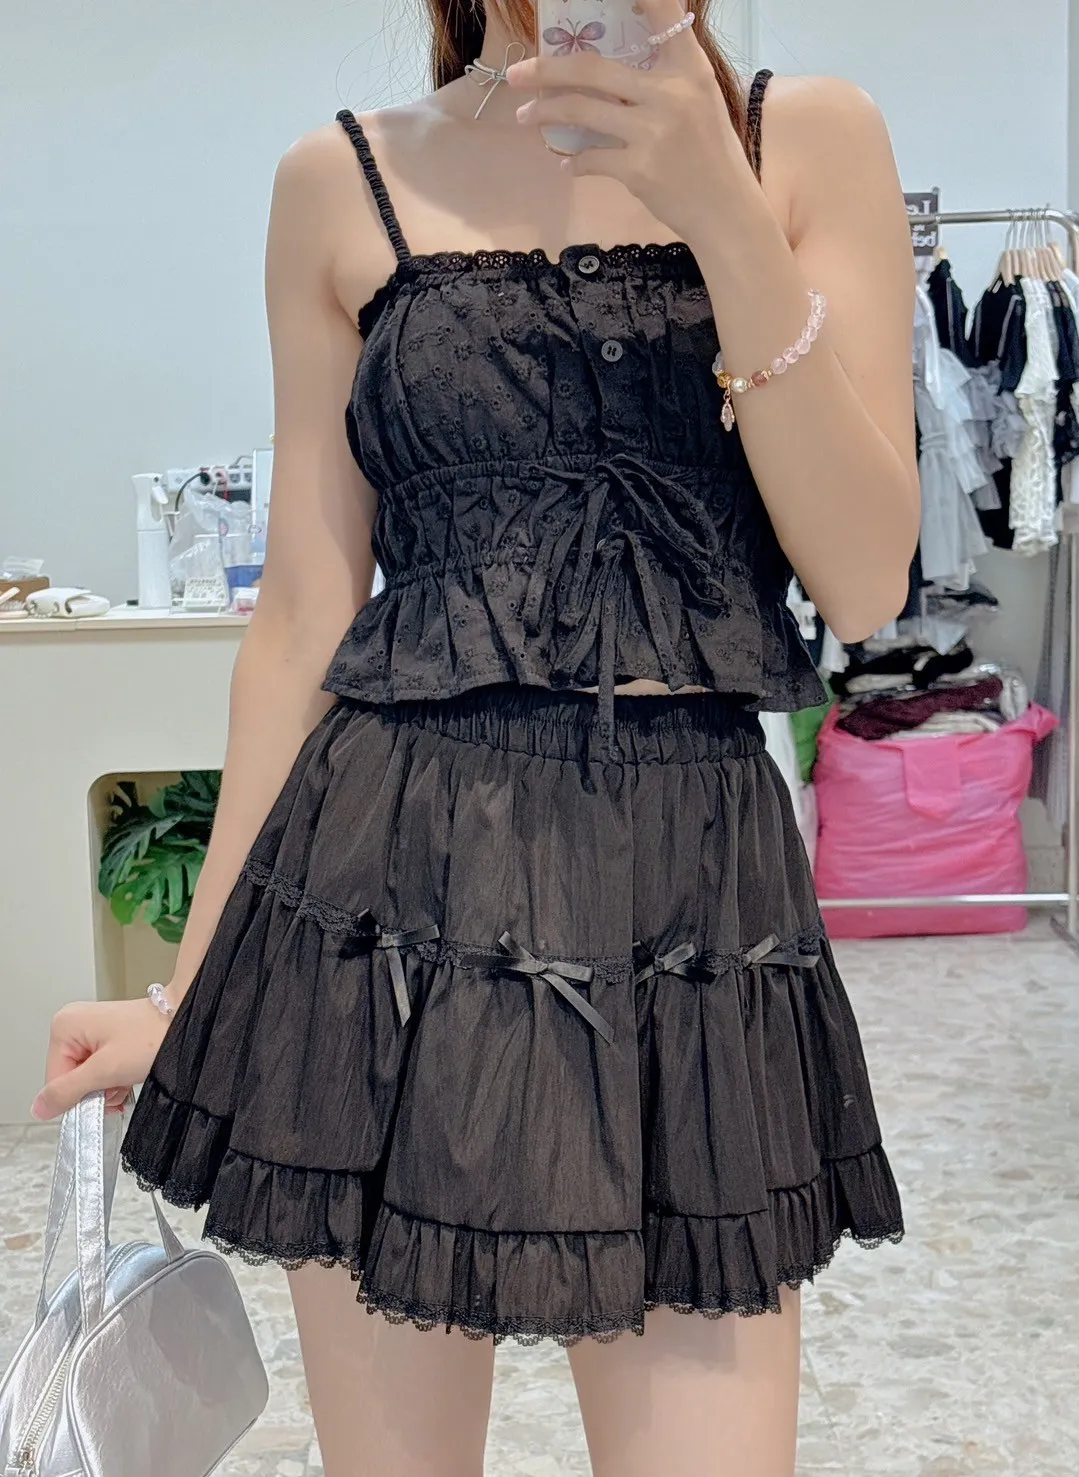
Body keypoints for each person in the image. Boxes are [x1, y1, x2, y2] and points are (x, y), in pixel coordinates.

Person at [32, 0, 918, 1470]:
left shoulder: (806, 138)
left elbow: (866, 576)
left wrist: (719, 206)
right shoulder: (344, 179)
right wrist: (189, 992)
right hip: (388, 893)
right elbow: (304, 620)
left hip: (692, 904)